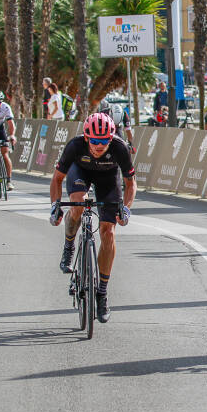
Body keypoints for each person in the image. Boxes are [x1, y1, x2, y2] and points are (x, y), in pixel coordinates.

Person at [49, 113, 136, 323]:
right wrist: (55, 206)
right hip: (81, 172)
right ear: (87, 137)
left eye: (104, 141)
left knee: (108, 232)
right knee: (77, 204)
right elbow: (57, 179)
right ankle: (69, 246)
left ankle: (102, 293)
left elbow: (131, 184)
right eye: (95, 141)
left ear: (111, 138)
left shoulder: (119, 147)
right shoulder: (75, 146)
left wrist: (126, 209)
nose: (99, 146)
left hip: (108, 178)